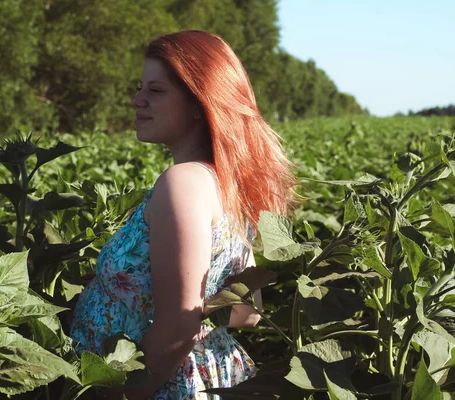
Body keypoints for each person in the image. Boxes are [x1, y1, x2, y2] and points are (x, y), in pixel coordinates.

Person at [70, 30, 296, 399]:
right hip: (203, 376)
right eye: (140, 87)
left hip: (155, 387)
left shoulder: (183, 183)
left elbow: (177, 327)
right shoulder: (228, 184)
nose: (136, 100)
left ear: (199, 102)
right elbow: (248, 311)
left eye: (156, 91)